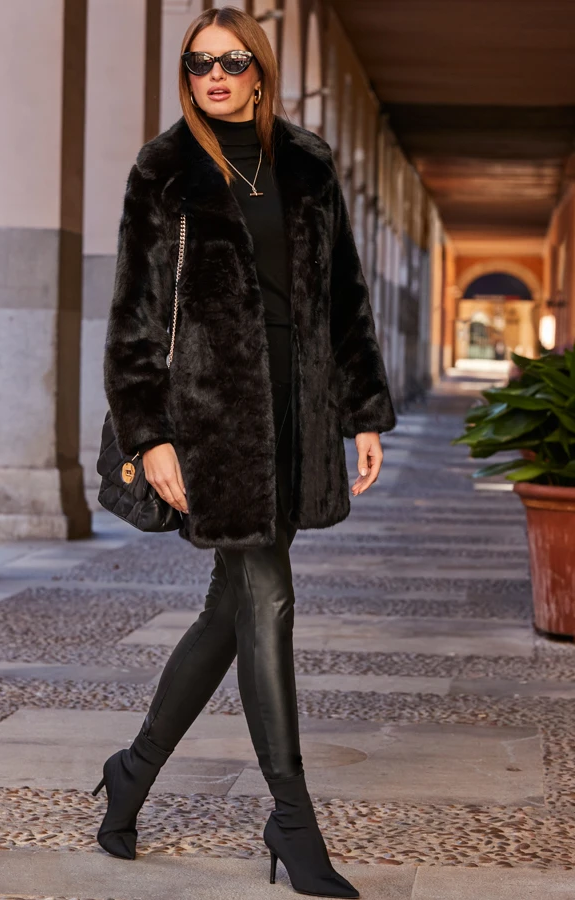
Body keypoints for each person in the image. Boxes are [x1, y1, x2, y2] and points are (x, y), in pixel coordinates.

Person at [93, 6, 396, 898]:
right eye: (199, 64)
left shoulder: (309, 162)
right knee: (268, 595)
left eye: (231, 62)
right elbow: (133, 317)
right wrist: (149, 434)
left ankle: (131, 772)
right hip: (211, 421)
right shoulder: (164, 168)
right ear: (186, 76)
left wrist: (362, 410)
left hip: (297, 411)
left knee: (231, 608)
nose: (215, 77)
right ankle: (292, 820)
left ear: (259, 71)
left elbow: (344, 294)